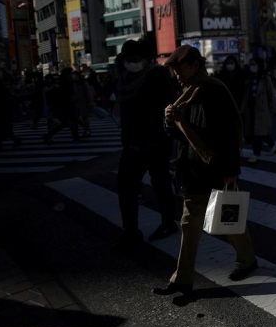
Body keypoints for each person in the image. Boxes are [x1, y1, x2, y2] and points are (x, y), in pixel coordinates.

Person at [154, 45, 258, 296]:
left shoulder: (213, 89)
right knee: (189, 223)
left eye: (180, 67)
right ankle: (182, 278)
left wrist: (231, 170)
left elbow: (230, 132)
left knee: (227, 219)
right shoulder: (184, 93)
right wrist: (170, 120)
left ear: (195, 65)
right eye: (174, 69)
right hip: (191, 168)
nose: (176, 72)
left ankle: (247, 261)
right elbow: (179, 135)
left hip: (217, 167)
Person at [111, 40, 179, 254]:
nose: (132, 63)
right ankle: (131, 230)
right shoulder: (123, 78)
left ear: (147, 59)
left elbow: (170, 105)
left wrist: (162, 136)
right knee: (126, 187)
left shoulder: (157, 75)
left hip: (155, 143)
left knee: (160, 183)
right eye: (128, 59)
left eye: (136, 59)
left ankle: (169, 223)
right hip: (132, 143)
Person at [241, 59, 276, 163]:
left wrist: (275, 109)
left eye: (254, 64)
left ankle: (255, 153)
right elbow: (246, 95)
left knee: (258, 132)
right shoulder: (249, 79)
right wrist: (243, 109)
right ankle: (272, 146)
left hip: (262, 109)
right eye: (251, 64)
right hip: (251, 108)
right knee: (260, 131)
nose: (252, 67)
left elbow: (271, 95)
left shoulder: (265, 79)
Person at [44, 68, 80, 144]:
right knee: (71, 122)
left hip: (65, 105)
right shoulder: (67, 82)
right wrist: (71, 99)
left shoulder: (63, 81)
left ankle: (49, 135)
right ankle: (75, 137)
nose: (72, 75)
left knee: (66, 123)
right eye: (71, 73)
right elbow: (67, 94)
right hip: (68, 105)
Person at [0, 71, 22, 151]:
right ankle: (13, 140)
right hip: (4, 110)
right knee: (5, 127)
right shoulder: (2, 88)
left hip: (0, 110)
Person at [72, 71, 95, 137]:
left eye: (75, 75)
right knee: (76, 118)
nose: (74, 77)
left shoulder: (83, 83)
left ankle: (87, 130)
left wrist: (90, 102)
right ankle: (85, 128)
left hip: (84, 102)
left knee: (85, 117)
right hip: (76, 103)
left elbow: (88, 93)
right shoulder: (73, 83)